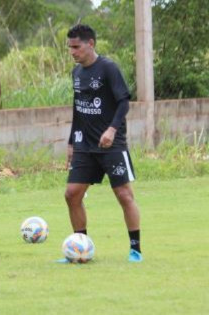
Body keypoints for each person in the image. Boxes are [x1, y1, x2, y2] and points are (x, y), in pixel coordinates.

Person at [63, 24, 142, 263]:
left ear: (90, 44)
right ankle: (80, 249)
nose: (72, 52)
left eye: (76, 47)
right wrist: (71, 141)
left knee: (124, 194)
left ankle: (135, 250)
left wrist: (111, 129)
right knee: (72, 194)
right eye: (70, 48)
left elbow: (123, 102)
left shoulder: (108, 68)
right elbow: (78, 109)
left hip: (112, 145)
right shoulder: (76, 73)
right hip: (84, 146)